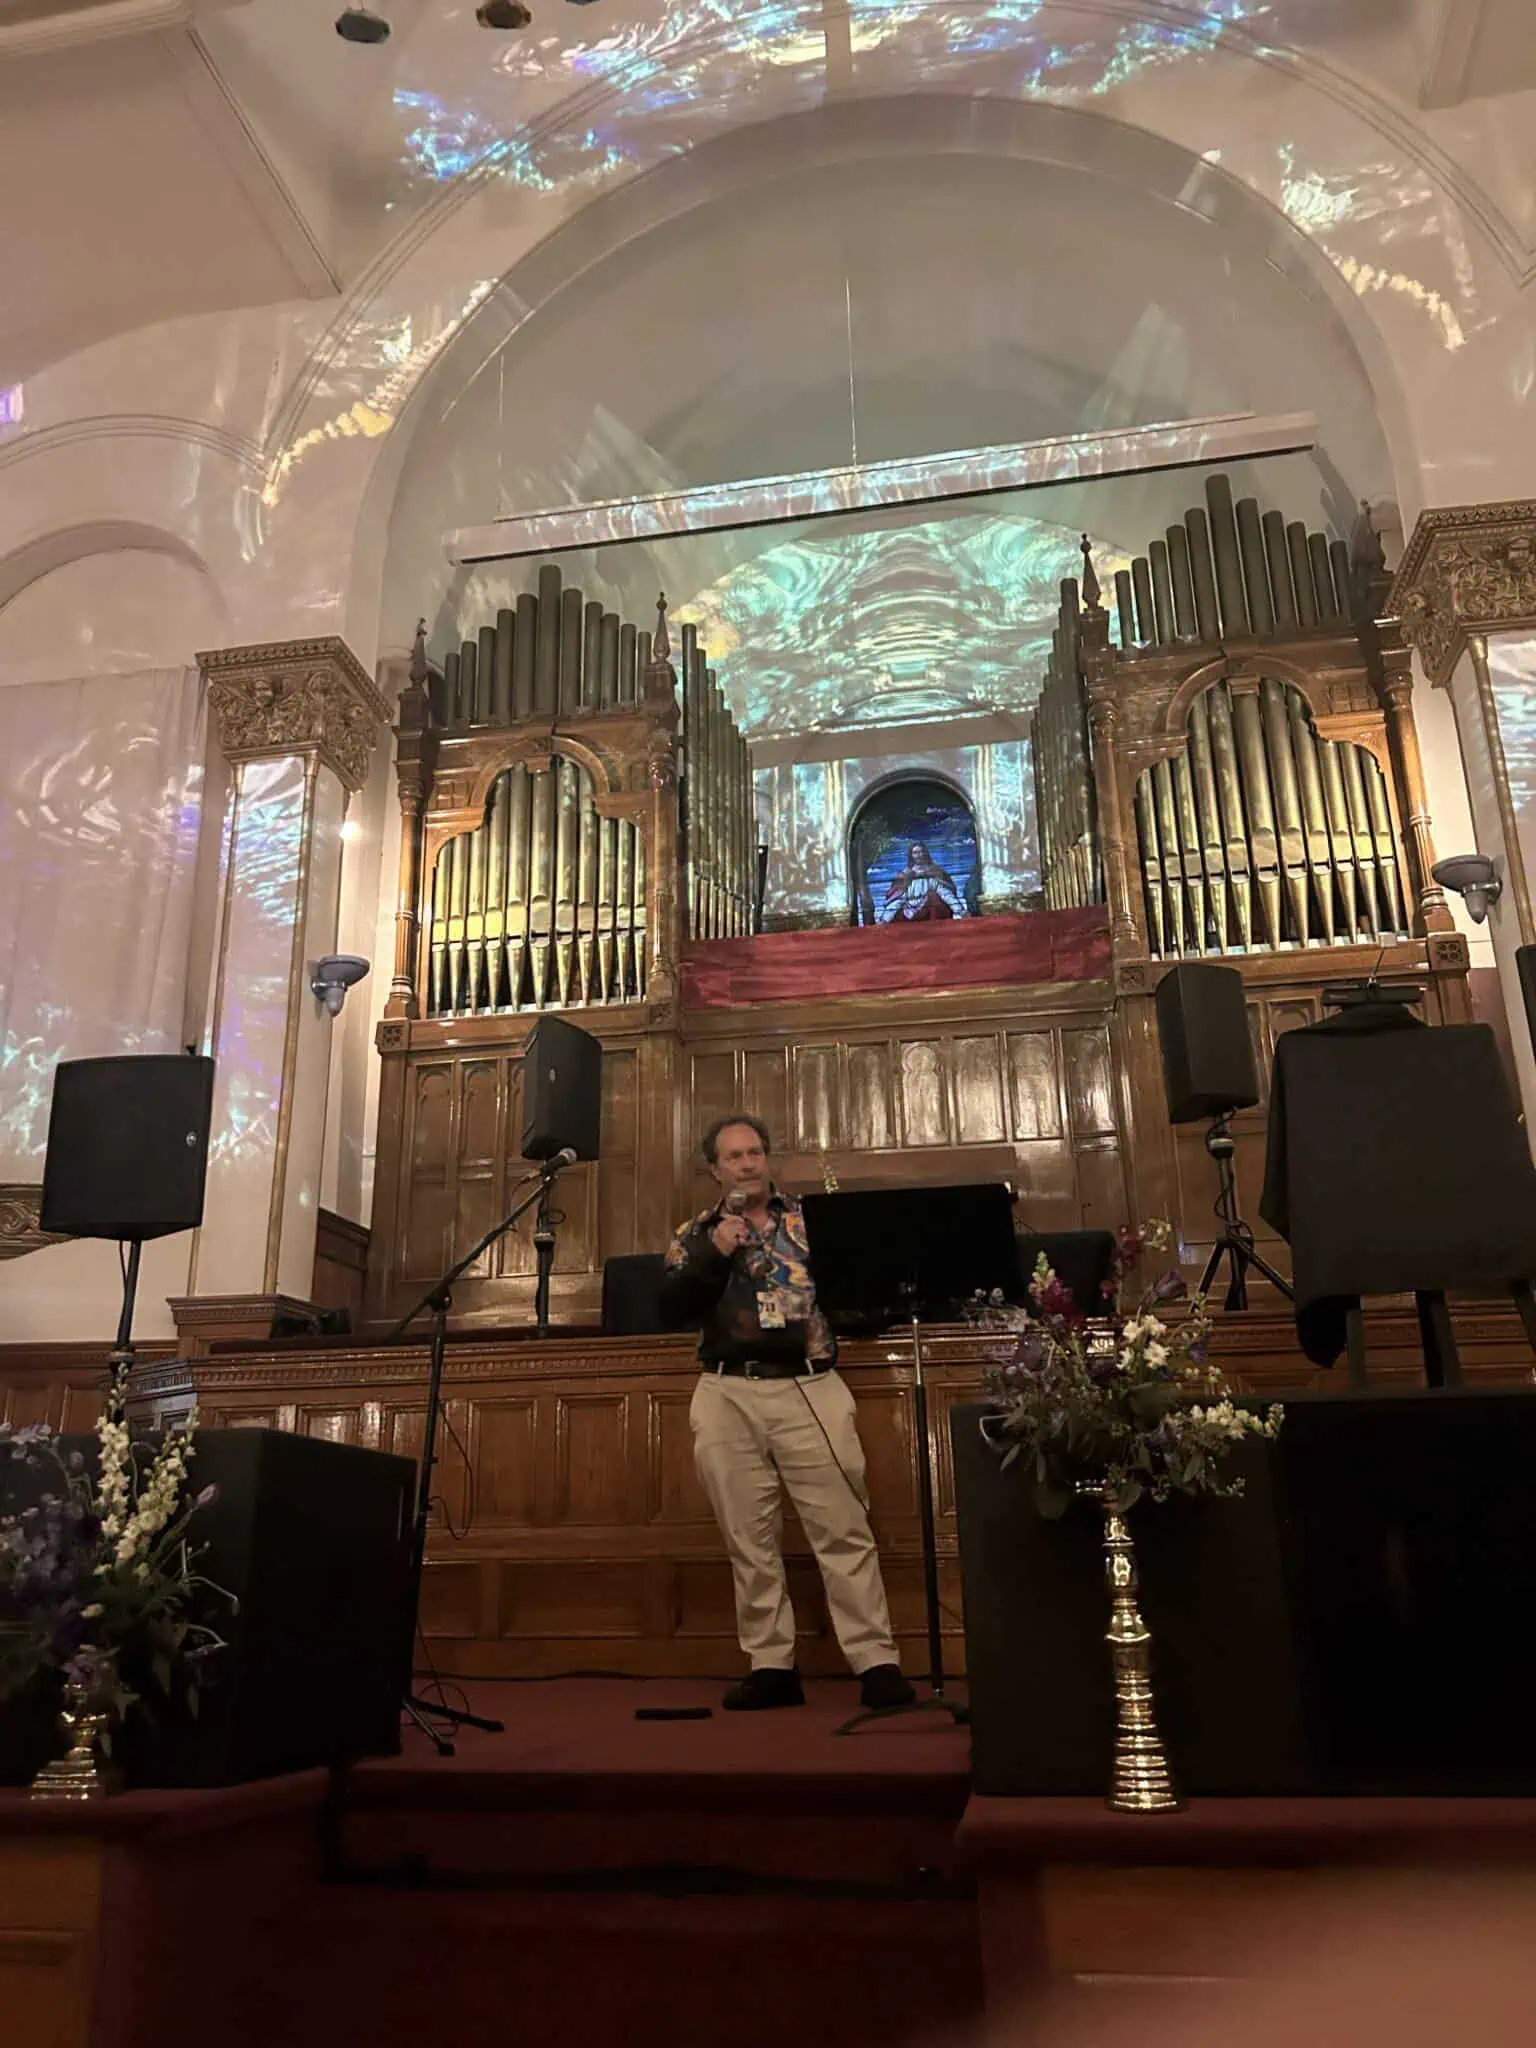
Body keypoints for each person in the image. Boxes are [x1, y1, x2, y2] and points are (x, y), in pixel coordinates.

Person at [660, 1114, 915, 1713]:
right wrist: (716, 1254)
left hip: (809, 1383)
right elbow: (670, 1306)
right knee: (748, 1536)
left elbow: (860, 1291)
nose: (747, 1164)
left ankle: (875, 1661)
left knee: (843, 1528)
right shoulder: (695, 1234)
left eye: (754, 1152)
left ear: (767, 1158)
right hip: (727, 1390)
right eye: (733, 1157)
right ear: (714, 1170)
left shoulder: (810, 1222)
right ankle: (771, 1665)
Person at [876, 840, 969, 922]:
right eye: (915, 853)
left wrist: (960, 910)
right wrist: (885, 920)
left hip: (929, 910)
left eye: (921, 852)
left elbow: (945, 894)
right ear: (911, 855)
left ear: (925, 853)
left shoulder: (934, 872)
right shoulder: (905, 874)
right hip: (908, 910)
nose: (919, 855)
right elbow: (898, 898)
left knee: (934, 898)